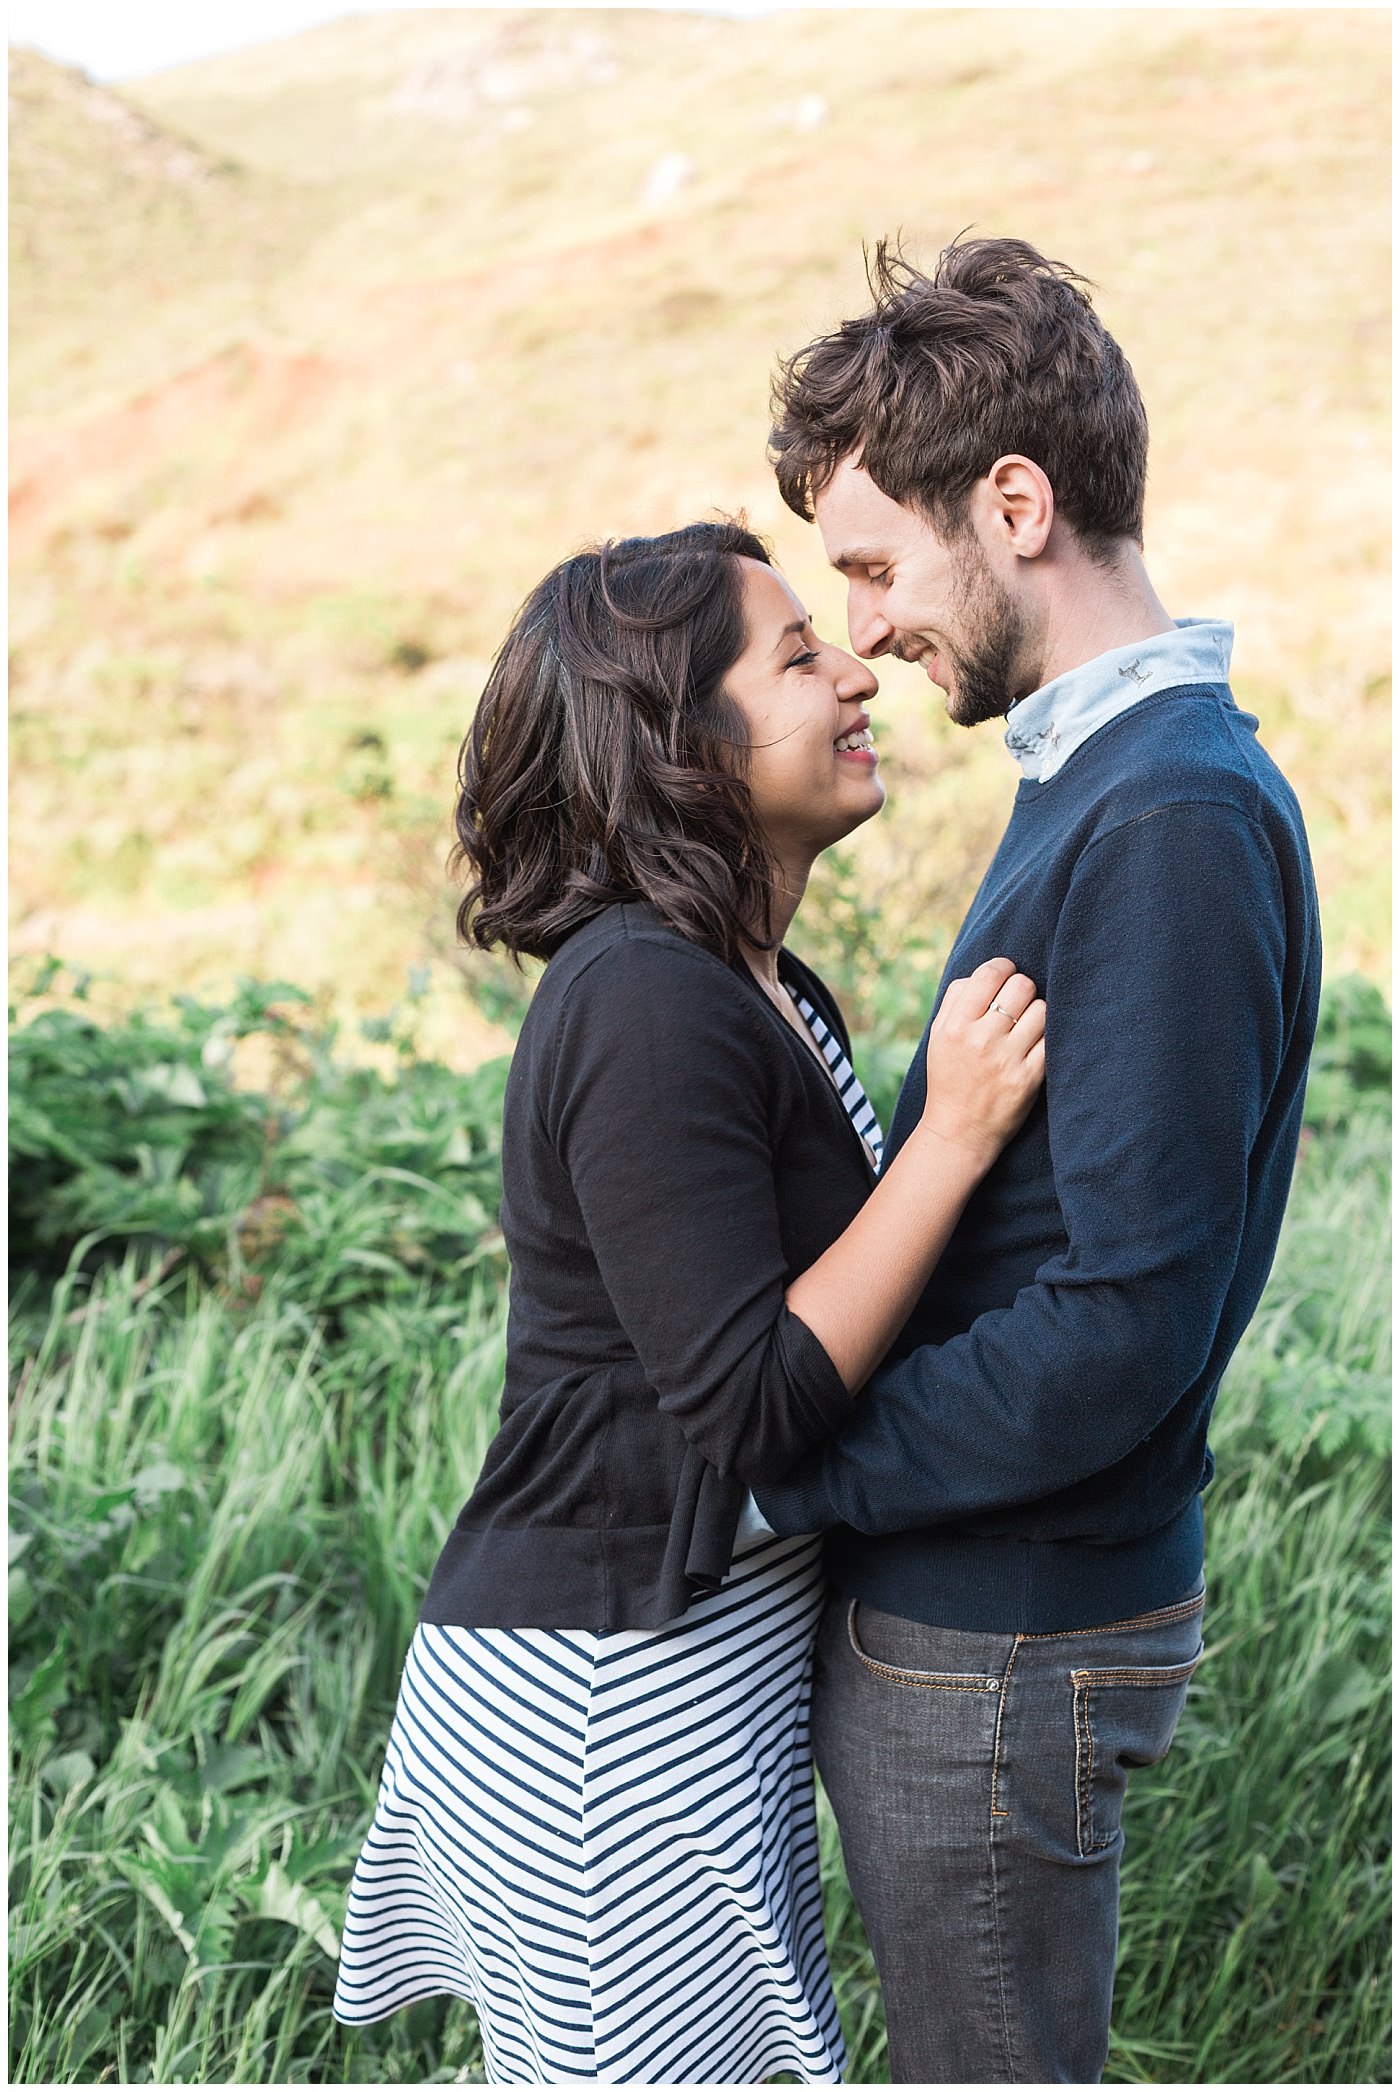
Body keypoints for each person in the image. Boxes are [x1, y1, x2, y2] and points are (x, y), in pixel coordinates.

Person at [330, 519, 1047, 2084]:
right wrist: (954, 1138)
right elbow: (751, 1406)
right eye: (797, 657)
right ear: (676, 746)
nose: (856, 668)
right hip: (606, 1704)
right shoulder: (644, 996)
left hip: (686, 1685)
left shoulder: (758, 985)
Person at [752, 235, 1323, 2084]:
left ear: (1013, 505)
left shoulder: (1166, 812)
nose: (864, 632)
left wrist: (799, 1478)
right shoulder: (1109, 780)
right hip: (981, 1616)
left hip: (1004, 1633)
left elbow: (1122, 1325)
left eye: (872, 567)